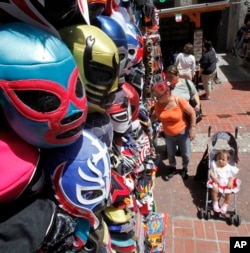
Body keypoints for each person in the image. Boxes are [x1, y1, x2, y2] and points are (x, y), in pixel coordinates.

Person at [150, 81, 196, 180]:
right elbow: (156, 116)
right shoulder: (158, 104)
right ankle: (172, 167)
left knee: (186, 153)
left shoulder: (179, 101)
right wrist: (148, 121)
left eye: (158, 96)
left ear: (166, 93)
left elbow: (192, 113)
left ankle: (185, 167)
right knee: (171, 153)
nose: (156, 99)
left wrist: (192, 128)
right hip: (169, 135)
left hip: (183, 133)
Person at [207, 149, 241, 214]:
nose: (220, 160)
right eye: (219, 158)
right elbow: (210, 172)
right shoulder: (214, 165)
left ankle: (225, 204)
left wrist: (230, 182)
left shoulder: (229, 168)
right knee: (214, 188)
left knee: (229, 192)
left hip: (226, 183)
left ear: (227, 161)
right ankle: (215, 202)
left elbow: (231, 176)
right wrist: (214, 178)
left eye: (223, 159)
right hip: (217, 182)